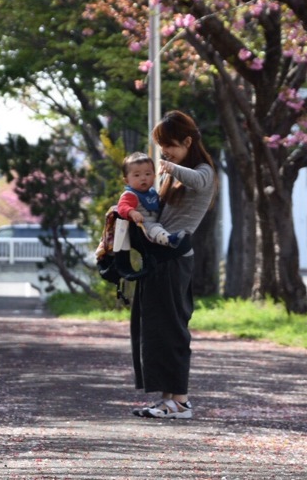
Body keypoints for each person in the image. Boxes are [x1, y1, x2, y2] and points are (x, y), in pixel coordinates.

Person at [130, 110, 216, 420]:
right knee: (157, 330)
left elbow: (196, 178)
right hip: (159, 259)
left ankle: (180, 400)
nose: (164, 152)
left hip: (176, 259)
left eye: (170, 146)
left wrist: (171, 167)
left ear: (188, 142)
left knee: (173, 330)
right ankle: (167, 399)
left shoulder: (202, 172)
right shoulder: (172, 177)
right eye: (161, 147)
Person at [116, 152, 186, 248]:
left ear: (154, 176)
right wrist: (132, 212)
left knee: (158, 226)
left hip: (156, 222)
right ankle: (169, 240)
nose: (143, 178)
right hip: (141, 226)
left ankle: (171, 236)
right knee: (154, 228)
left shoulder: (152, 192)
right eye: (137, 175)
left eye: (148, 174)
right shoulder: (131, 195)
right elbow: (122, 207)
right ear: (127, 181)